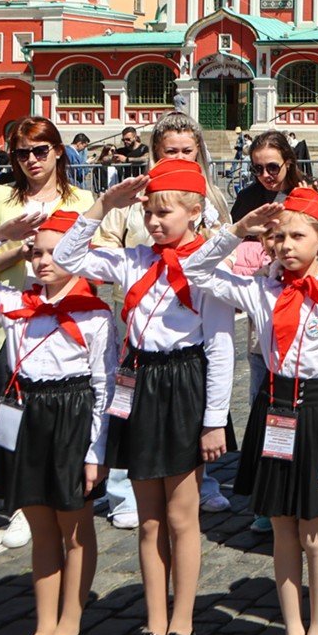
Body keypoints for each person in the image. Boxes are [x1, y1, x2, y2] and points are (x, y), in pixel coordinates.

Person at [55, 160, 236, 635]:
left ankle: (183, 625)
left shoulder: (205, 266)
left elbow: (220, 347)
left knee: (181, 516)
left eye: (166, 212)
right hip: (138, 383)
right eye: (149, 213)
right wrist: (105, 205)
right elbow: (68, 255)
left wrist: (214, 420)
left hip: (183, 385)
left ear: (196, 212)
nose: (155, 222)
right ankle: (154, 624)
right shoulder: (131, 259)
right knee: (149, 516)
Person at [186, 189, 318, 635]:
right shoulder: (259, 291)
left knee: (315, 529)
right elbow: (197, 271)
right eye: (278, 236)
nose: (286, 245)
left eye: (297, 235)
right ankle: (291, 630)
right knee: (282, 528)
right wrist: (237, 230)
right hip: (274, 409)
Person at [0, 209, 118, 635]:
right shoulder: (15, 302)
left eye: (52, 253)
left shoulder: (94, 314)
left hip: (72, 415)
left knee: (74, 526)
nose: (42, 261)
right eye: (36, 252)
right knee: (41, 524)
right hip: (25, 414)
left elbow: (104, 387)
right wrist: (2, 236)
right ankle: (43, 624)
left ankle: (69, 623)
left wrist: (94, 453)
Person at [90, 113, 234, 522]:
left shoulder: (210, 194)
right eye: (172, 150)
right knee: (128, 402)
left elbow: (225, 242)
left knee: (192, 407)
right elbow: (103, 240)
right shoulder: (137, 198)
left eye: (189, 150)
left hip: (190, 305)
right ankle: (125, 491)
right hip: (136, 308)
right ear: (156, 153)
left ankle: (200, 483)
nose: (181, 156)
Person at [0, 117, 97, 550]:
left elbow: (95, 262)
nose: (31, 160)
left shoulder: (82, 200)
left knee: (64, 411)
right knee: (13, 408)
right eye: (21, 153)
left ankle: (70, 485)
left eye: (40, 151)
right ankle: (21, 505)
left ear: (58, 151)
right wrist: (16, 250)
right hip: (7, 316)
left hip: (64, 323)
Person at [233, 132, 318, 224]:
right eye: (257, 169)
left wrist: (312, 207)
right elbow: (233, 234)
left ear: (288, 163)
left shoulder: (315, 190)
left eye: (272, 167)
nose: (265, 175)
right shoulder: (246, 197)